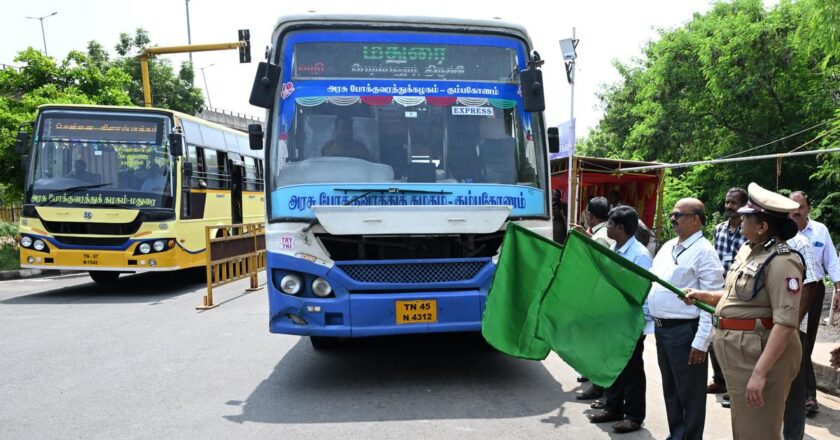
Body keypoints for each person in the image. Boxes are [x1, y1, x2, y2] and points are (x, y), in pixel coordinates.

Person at [684, 182, 804, 440]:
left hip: (759, 355)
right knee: (746, 426)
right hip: (740, 353)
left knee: (758, 431)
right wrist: (706, 296)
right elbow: (738, 297)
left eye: (746, 217)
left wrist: (760, 374)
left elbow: (785, 323)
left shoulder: (783, 261)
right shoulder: (749, 250)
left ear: (762, 227)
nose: (740, 220)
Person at [648, 197, 723, 440]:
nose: (672, 219)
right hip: (663, 330)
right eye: (672, 214)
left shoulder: (705, 252)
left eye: (678, 215)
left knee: (690, 394)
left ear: (695, 220)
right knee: (671, 390)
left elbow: (711, 303)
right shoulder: (668, 246)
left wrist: (701, 341)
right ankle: (676, 435)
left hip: (685, 331)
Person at [587, 205, 653, 433]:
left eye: (611, 224)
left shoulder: (639, 255)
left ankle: (634, 416)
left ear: (621, 227)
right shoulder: (616, 248)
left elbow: (645, 291)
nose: (608, 227)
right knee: (615, 364)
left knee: (633, 370)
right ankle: (613, 407)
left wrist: (640, 324)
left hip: (630, 322)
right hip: (614, 320)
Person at [789, 190, 840, 416]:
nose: (796, 211)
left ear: (809, 208)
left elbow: (832, 260)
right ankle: (798, 393)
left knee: (805, 340)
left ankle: (807, 395)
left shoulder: (820, 230)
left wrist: (838, 288)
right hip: (787, 289)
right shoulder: (782, 230)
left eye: (800, 206)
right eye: (792, 207)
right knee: (791, 338)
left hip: (814, 290)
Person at [571, 196, 613, 400]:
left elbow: (600, 266)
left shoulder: (601, 237)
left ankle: (599, 385)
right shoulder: (603, 234)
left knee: (596, 341)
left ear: (590, 215)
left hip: (598, 295)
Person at [709, 187, 749, 400]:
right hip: (718, 289)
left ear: (743, 205)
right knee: (714, 334)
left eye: (734, 203)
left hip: (739, 292)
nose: (729, 206)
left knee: (734, 339)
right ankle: (719, 380)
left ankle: (734, 388)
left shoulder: (749, 230)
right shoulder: (718, 229)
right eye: (727, 202)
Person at [782, 232, 818, 440]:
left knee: (794, 388)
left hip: (792, 328)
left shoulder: (800, 244)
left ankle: (793, 436)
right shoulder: (761, 243)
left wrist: (794, 325)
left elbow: (810, 282)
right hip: (767, 328)